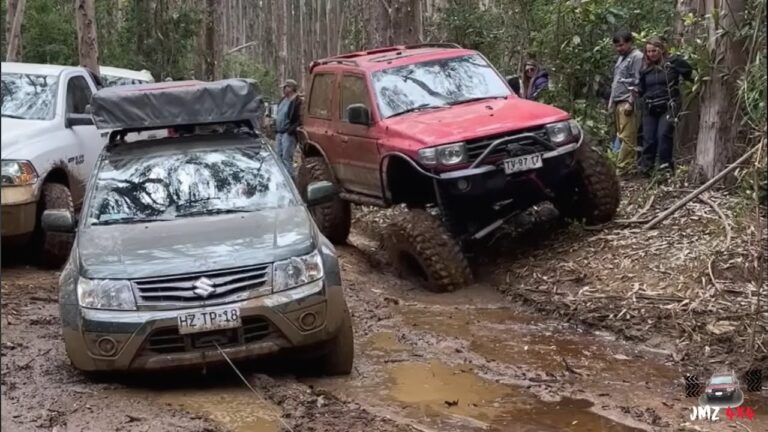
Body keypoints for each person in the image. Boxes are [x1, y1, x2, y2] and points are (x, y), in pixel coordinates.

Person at [634, 37, 694, 176]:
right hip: (650, 107)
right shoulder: (645, 69)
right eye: (648, 51)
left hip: (668, 105)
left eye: (654, 51)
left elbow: (691, 74)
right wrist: (635, 92)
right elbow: (641, 89)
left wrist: (697, 84)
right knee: (648, 138)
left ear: (661, 49)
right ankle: (646, 170)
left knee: (663, 135)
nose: (651, 54)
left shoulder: (673, 63)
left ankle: (665, 168)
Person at [608, 30, 644, 172]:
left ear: (630, 43)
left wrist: (631, 101)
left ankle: (623, 169)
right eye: (616, 46)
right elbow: (616, 81)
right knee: (621, 136)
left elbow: (637, 81)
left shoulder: (637, 57)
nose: (619, 48)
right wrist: (611, 102)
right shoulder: (621, 58)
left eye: (622, 45)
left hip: (627, 101)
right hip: (618, 101)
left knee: (628, 137)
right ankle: (622, 166)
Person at [275, 79, 302, 179]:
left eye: (285, 87)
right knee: (278, 157)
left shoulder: (298, 101)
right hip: (279, 132)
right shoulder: (283, 100)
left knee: (286, 158)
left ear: (291, 88)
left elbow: (300, 119)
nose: (283, 89)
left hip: (288, 134)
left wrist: (291, 130)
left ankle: (290, 181)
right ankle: (281, 179)